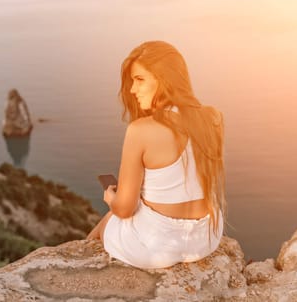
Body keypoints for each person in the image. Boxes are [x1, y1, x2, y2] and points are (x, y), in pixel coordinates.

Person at [87, 40, 226, 269]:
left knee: (111, 218)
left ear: (165, 80)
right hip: (205, 239)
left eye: (139, 79)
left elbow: (124, 208)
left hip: (157, 247)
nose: (132, 89)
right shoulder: (213, 118)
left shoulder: (140, 130)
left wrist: (111, 198)